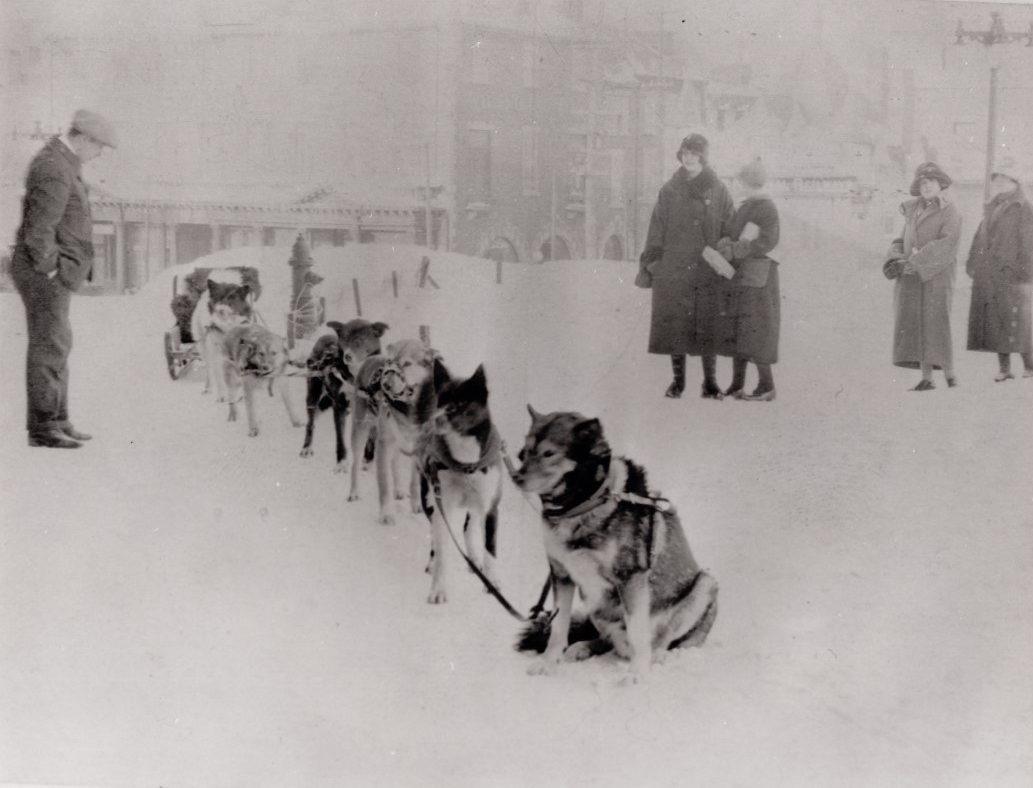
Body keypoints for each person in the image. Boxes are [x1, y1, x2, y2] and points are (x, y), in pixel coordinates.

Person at [9, 109, 117, 448]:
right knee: (49, 344)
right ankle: (43, 428)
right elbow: (39, 231)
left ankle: (58, 419)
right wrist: (54, 268)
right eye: (99, 146)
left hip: (51, 272)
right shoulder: (55, 166)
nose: (100, 153)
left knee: (57, 342)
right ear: (82, 138)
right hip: (44, 273)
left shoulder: (63, 162)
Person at [639, 133, 735, 399]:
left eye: (694, 153)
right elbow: (657, 226)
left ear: (703, 157)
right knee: (675, 323)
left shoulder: (719, 189)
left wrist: (724, 252)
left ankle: (710, 383)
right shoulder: (669, 190)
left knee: (708, 321)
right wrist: (655, 261)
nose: (688, 158)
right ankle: (678, 382)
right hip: (675, 267)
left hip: (707, 268)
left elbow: (730, 225)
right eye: (684, 153)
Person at [883, 162, 962, 391]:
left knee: (936, 322)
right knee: (917, 324)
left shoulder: (950, 211)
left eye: (931, 182)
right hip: (911, 276)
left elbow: (948, 243)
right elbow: (900, 240)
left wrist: (917, 261)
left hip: (937, 275)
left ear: (941, 185)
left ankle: (950, 374)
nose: (926, 186)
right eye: (923, 183)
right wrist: (894, 258)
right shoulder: (912, 210)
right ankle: (927, 378)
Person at [712, 158, 782, 401]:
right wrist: (725, 245)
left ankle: (767, 385)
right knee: (738, 329)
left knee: (757, 331)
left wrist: (736, 249)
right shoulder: (746, 205)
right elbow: (731, 232)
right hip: (741, 277)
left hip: (758, 278)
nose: (738, 185)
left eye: (741, 181)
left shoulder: (766, 207)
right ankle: (737, 384)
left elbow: (768, 242)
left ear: (750, 182)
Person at [965, 159, 1033, 381]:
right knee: (997, 321)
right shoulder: (992, 205)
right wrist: (972, 262)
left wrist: (1026, 273)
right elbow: (980, 236)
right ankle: (1005, 369)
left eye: (1005, 178)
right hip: (991, 273)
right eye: (997, 178)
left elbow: (1028, 242)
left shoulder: (1023, 207)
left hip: (1015, 274)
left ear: (1015, 182)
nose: (1000, 182)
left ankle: (1030, 367)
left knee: (1020, 321)